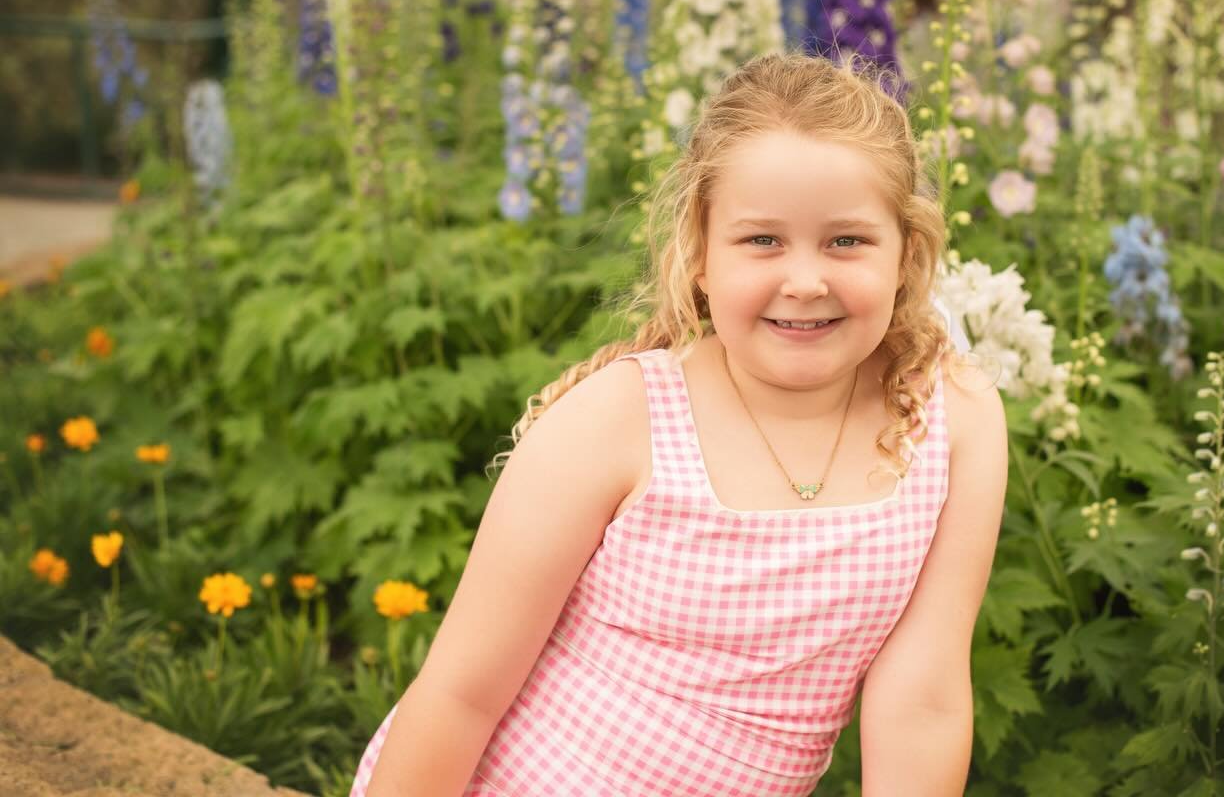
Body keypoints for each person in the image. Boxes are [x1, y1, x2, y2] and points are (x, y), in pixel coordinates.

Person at [350, 52, 1009, 796]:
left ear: (907, 253)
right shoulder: (619, 421)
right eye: (762, 240)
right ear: (699, 253)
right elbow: (459, 695)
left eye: (846, 241)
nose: (804, 280)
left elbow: (922, 702)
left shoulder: (953, 420)